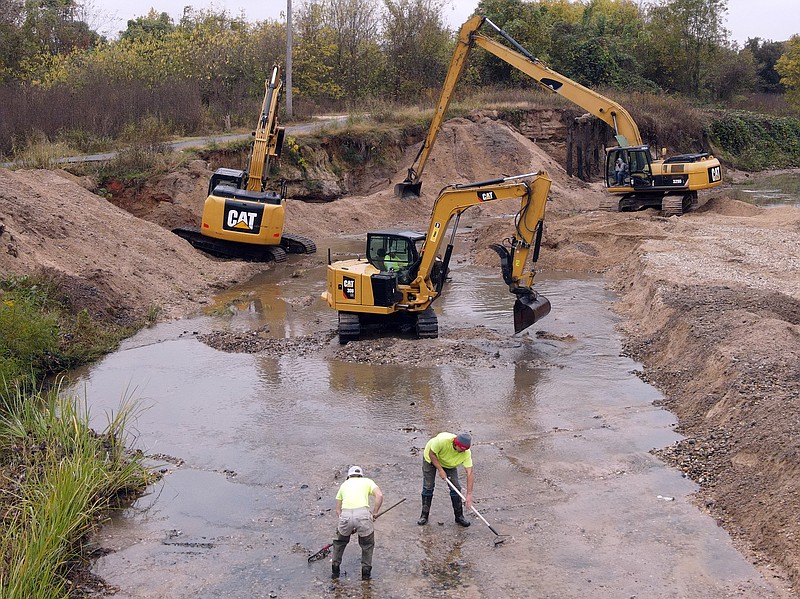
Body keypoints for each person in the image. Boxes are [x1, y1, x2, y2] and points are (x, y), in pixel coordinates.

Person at [331, 465, 384, 581]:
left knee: (339, 543)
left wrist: (348, 524)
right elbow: (379, 495)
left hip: (345, 516)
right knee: (367, 545)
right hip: (363, 515)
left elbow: (338, 510)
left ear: (348, 476)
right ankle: (365, 576)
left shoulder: (344, 485)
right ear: (361, 475)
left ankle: (335, 572)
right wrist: (374, 513)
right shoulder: (367, 481)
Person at [417, 432, 473, 528]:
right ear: (455, 444)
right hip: (431, 458)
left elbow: (470, 473)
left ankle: (459, 516)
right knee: (428, 486)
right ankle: (424, 515)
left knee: (456, 488)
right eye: (461, 449)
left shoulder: (466, 453)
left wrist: (469, 494)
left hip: (449, 463)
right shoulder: (442, 441)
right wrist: (440, 469)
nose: (463, 452)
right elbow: (432, 454)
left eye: (465, 450)